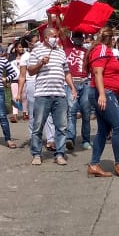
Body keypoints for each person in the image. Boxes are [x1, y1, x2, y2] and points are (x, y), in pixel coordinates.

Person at [27, 26, 74, 166]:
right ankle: (36, 154)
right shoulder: (36, 50)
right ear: (46, 37)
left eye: (57, 36)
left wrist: (72, 87)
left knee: (61, 127)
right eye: (54, 36)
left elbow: (66, 72)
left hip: (60, 94)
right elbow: (30, 71)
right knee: (37, 126)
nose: (56, 38)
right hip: (42, 95)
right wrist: (40, 63)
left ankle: (59, 153)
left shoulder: (60, 52)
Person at [87, 27, 119, 177]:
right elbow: (98, 72)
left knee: (103, 130)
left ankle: (94, 164)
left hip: (109, 91)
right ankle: (118, 164)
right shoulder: (102, 49)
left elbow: (108, 73)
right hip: (104, 93)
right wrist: (103, 94)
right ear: (110, 38)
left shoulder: (104, 50)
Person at [63, 32, 93, 150]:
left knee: (86, 113)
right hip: (71, 83)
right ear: (72, 38)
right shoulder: (68, 47)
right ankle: (70, 138)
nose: (79, 39)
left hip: (85, 82)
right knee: (71, 112)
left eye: (81, 37)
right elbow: (61, 31)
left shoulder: (87, 52)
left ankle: (86, 140)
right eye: (76, 37)